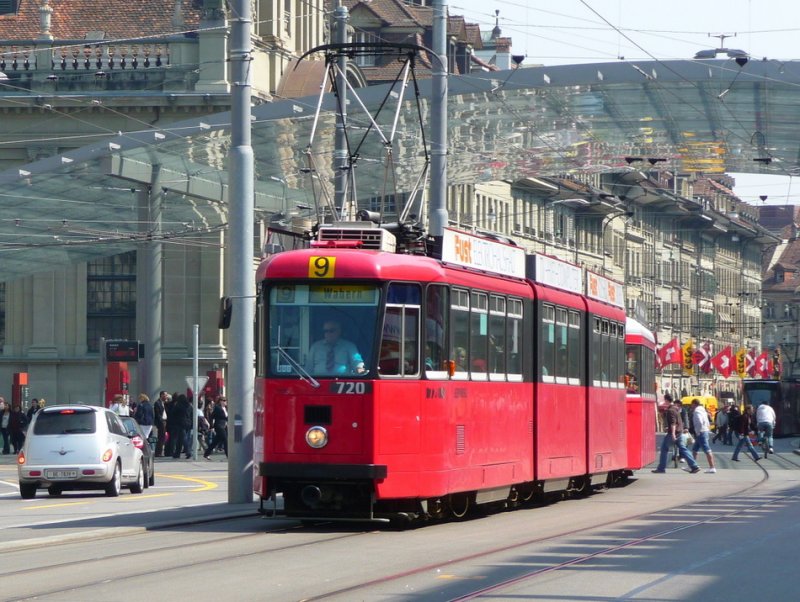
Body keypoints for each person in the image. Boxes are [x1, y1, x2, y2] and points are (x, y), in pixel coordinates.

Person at [653, 398, 700, 474]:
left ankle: (661, 468)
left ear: (667, 401)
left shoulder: (670, 411)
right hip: (680, 432)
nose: (664, 404)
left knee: (664, 449)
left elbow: (673, 423)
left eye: (665, 401)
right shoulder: (676, 410)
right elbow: (678, 421)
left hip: (674, 433)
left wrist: (673, 434)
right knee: (683, 449)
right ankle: (694, 466)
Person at [690, 399, 717, 473]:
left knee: (707, 450)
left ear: (694, 404)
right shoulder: (703, 411)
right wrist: (707, 429)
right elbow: (707, 421)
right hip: (704, 431)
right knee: (694, 450)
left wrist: (698, 431)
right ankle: (693, 466)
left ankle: (712, 467)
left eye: (691, 404)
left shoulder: (697, 411)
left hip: (701, 432)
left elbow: (699, 422)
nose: (691, 406)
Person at [171, 393, 194, 459]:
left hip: (180, 423)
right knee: (181, 439)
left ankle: (188, 451)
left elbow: (173, 414)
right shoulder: (189, 406)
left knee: (183, 438)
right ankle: (177, 454)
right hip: (188, 423)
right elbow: (192, 415)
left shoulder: (178, 405)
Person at [153, 391, 168, 457]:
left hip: (165, 421)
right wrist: (161, 421)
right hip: (161, 422)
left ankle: (160, 451)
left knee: (163, 437)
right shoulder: (157, 403)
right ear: (161, 395)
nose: (166, 396)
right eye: (165, 395)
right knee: (161, 437)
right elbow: (158, 414)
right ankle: (158, 452)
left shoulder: (164, 403)